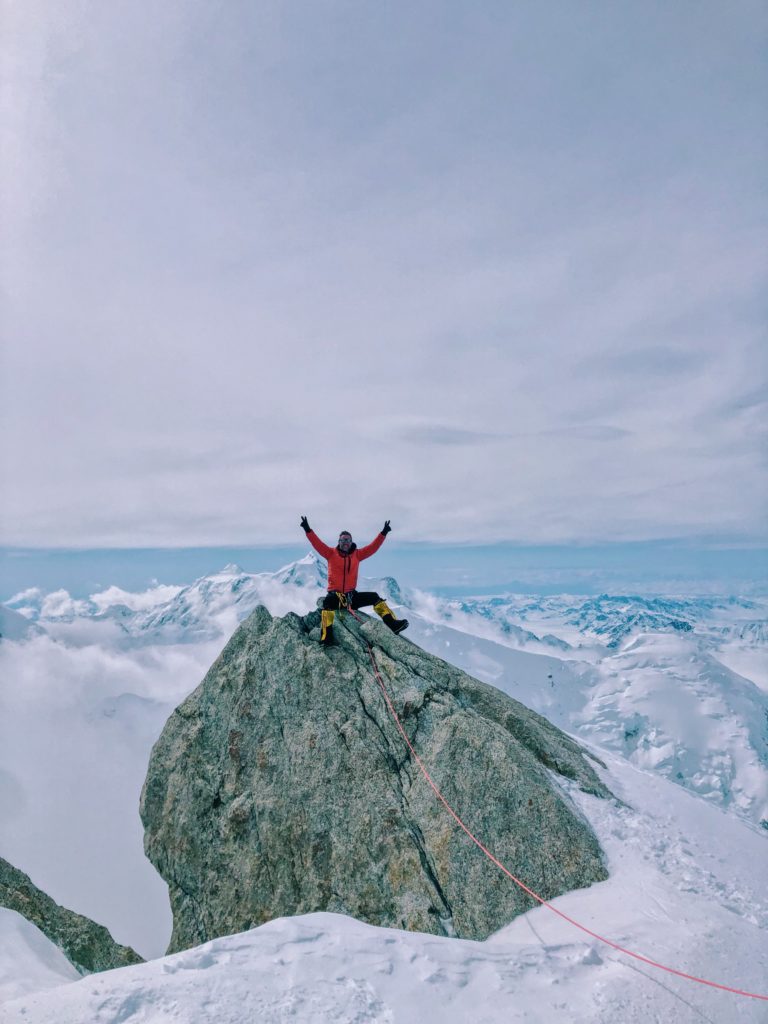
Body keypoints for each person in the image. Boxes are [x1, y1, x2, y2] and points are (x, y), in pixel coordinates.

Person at [300, 516, 409, 646]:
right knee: (327, 603)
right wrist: (307, 529)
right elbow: (317, 543)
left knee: (374, 597)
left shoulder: (357, 555)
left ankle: (393, 624)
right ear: (339, 541)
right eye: (343, 540)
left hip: (352, 597)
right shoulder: (330, 553)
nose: (345, 542)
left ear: (351, 542)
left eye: (348, 540)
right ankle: (327, 637)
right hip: (335, 596)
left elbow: (372, 548)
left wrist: (383, 533)